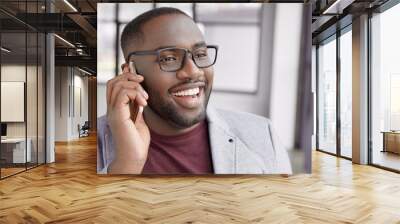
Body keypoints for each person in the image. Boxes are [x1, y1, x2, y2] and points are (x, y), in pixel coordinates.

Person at [97, 7, 292, 174]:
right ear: (130, 71)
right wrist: (126, 165)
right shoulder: (93, 140)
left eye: (200, 54)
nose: (193, 71)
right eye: (169, 58)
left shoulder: (262, 133)